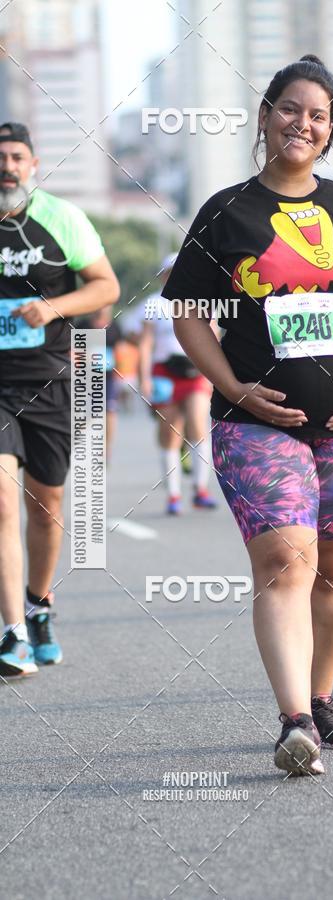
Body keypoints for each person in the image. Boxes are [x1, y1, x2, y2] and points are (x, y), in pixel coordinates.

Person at [164, 55, 333, 775]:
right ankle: (294, 721)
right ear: (265, 114)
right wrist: (234, 389)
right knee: (285, 562)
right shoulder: (226, 211)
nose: (302, 123)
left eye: (319, 115)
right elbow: (186, 313)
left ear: (329, 129)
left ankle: (323, 695)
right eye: (290, 108)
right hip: (255, 426)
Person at [0, 122, 119, 676]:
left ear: (33, 164)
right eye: (0, 157)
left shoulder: (60, 217)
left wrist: (51, 309)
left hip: (48, 379)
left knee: (45, 509)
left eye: (16, 156)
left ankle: (39, 604)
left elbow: (106, 286)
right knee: (2, 503)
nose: (7, 166)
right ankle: (12, 633)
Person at [139, 254, 217, 515]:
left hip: (196, 370)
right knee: (170, 432)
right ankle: (173, 495)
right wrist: (144, 378)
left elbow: (214, 336)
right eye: (170, 272)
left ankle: (200, 489)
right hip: (164, 371)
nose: (174, 276)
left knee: (198, 423)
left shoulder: (202, 300)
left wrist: (217, 374)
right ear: (163, 275)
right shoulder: (153, 303)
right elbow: (146, 344)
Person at [77, 306, 122, 464]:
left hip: (108, 377)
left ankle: (106, 449)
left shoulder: (115, 327)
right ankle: (78, 440)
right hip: (86, 376)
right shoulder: (82, 325)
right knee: (88, 414)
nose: (102, 309)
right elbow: (72, 349)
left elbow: (120, 350)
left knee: (110, 412)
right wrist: (84, 356)